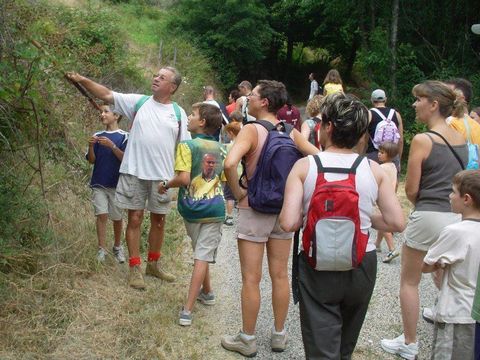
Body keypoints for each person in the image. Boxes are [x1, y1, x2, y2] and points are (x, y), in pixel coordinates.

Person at [279, 92, 405, 359]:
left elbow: (289, 223)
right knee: (345, 346)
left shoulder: (304, 167)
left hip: (316, 263)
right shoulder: (374, 169)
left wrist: (313, 212)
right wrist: (363, 216)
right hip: (361, 262)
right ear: (361, 135)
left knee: (321, 349)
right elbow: (396, 222)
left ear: (328, 127)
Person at [67, 66, 190, 290]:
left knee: (159, 221)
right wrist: (82, 78)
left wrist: (180, 175)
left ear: (172, 87)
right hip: (135, 172)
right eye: (156, 75)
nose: (155, 79)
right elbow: (106, 94)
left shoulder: (179, 113)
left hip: (162, 176)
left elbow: (184, 147)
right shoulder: (139, 102)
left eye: (162, 78)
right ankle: (135, 267)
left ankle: (153, 264)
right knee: (134, 218)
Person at [221, 80, 318, 357]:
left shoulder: (251, 129)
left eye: (252, 95)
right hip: (284, 211)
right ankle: (278, 335)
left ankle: (248, 338)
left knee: (251, 278)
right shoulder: (291, 132)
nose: (246, 98)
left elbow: (229, 163)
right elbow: (318, 160)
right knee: (280, 275)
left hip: (255, 209)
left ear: (263, 102)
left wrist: (240, 193)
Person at [381, 80, 468, 360]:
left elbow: (411, 189)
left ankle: (409, 342)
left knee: (409, 281)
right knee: (446, 276)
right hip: (455, 217)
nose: (415, 104)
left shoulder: (422, 140)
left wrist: (420, 205)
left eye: (419, 99)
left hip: (428, 213)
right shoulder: (460, 139)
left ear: (434, 105)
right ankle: (449, 336)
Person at [158, 102, 224, 326]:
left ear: (202, 122)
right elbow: (223, 178)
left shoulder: (187, 146)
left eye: (193, 114)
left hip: (192, 209)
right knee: (202, 253)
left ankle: (187, 309)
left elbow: (184, 179)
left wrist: (166, 184)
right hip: (215, 209)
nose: (188, 115)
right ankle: (208, 292)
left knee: (200, 254)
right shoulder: (221, 148)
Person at [422, 170, 480, 359]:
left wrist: (440, 265)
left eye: (453, 192)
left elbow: (426, 265)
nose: (449, 196)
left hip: (457, 312)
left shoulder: (455, 231)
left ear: (466, 199)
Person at [86, 104, 128, 263]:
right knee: (101, 215)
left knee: (117, 217)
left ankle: (117, 247)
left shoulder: (124, 136)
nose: (102, 114)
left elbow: (125, 159)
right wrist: (91, 146)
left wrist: (112, 146)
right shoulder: (97, 135)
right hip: (99, 183)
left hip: (117, 184)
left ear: (116, 116)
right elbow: (92, 160)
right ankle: (101, 249)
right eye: (101, 112)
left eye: (106, 112)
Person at [365, 89, 404, 173]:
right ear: (385, 99)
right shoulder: (396, 114)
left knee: (374, 184)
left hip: (374, 154)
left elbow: (362, 139)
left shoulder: (369, 114)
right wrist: (398, 160)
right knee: (392, 184)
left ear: (372, 100)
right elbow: (400, 140)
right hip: (392, 155)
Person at [375, 141, 400, 263]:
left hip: (381, 199)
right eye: (379, 151)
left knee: (384, 225)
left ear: (389, 154)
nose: (379, 154)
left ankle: (392, 249)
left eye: (382, 152)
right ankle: (377, 244)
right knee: (383, 221)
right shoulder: (393, 166)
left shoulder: (381, 168)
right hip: (391, 198)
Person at [444, 78, 480, 147]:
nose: (441, 98)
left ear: (461, 98)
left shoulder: (450, 122)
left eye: (447, 94)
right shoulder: (477, 126)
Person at [223, 121, 242, 226]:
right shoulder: (243, 144)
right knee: (240, 196)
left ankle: (229, 217)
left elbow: (226, 162)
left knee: (229, 197)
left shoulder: (229, 146)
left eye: (227, 134)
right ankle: (241, 217)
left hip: (231, 174)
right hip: (241, 174)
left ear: (231, 133)